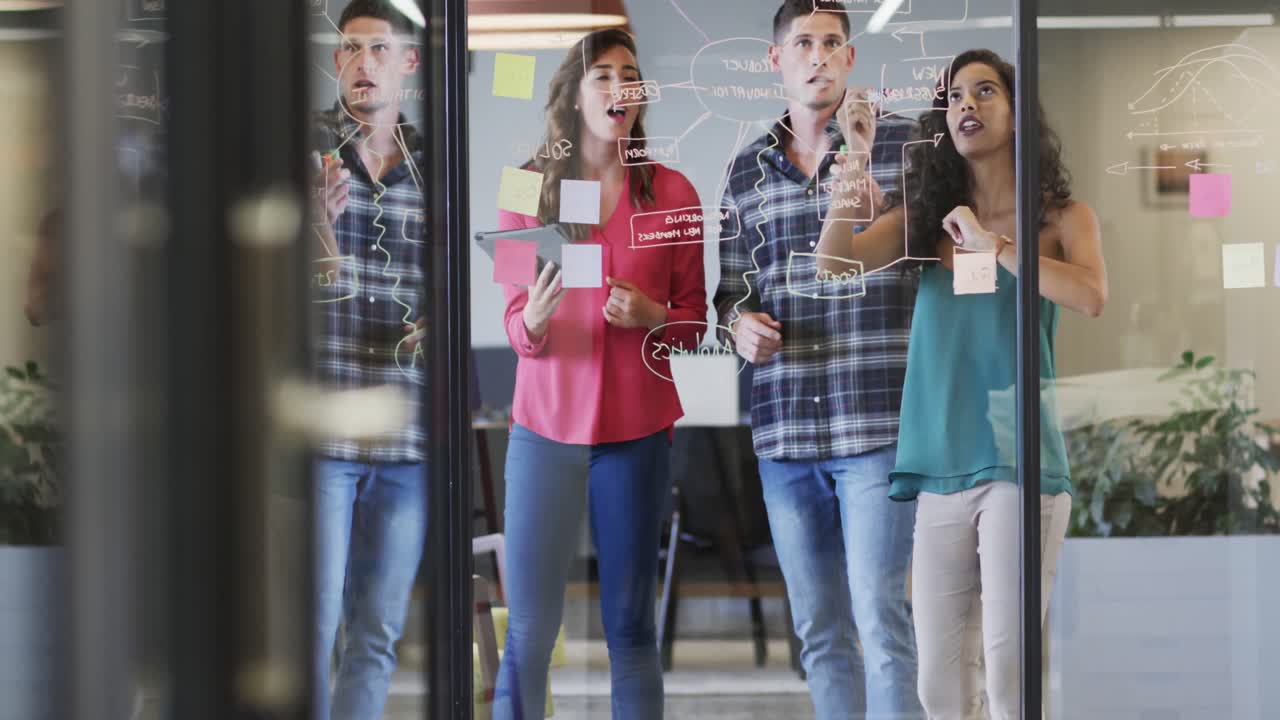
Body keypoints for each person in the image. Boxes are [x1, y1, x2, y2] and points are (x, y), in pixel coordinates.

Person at [815, 49, 1108, 719]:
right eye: (954, 97)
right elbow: (834, 268)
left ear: (1016, 109)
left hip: (1019, 461)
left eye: (985, 91)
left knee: (1008, 670)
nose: (966, 105)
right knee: (938, 689)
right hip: (939, 463)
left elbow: (1091, 295)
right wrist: (855, 158)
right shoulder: (926, 222)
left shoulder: (1062, 218)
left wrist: (995, 246)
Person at [712, 2, 922, 718]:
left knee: (882, 621)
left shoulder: (904, 150)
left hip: (876, 425)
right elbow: (728, 291)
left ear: (850, 57)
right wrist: (739, 326)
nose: (819, 55)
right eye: (804, 42)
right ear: (778, 59)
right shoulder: (744, 173)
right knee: (820, 632)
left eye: (833, 42)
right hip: (784, 435)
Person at [491, 28, 708, 720]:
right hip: (543, 430)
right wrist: (533, 321)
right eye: (604, 76)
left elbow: (696, 323)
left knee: (631, 632)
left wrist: (653, 315)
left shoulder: (672, 192)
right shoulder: (523, 183)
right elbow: (514, 321)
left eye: (630, 76)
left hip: (636, 433)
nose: (621, 89)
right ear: (573, 94)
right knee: (528, 630)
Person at [309, 1, 429, 718]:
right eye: (351, 49)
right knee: (312, 627)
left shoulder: (437, 162)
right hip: (321, 428)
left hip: (409, 434)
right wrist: (316, 228)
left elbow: (451, 283)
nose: (363, 64)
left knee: (378, 631)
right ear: (336, 62)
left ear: (408, 63)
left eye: (380, 49)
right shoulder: (299, 154)